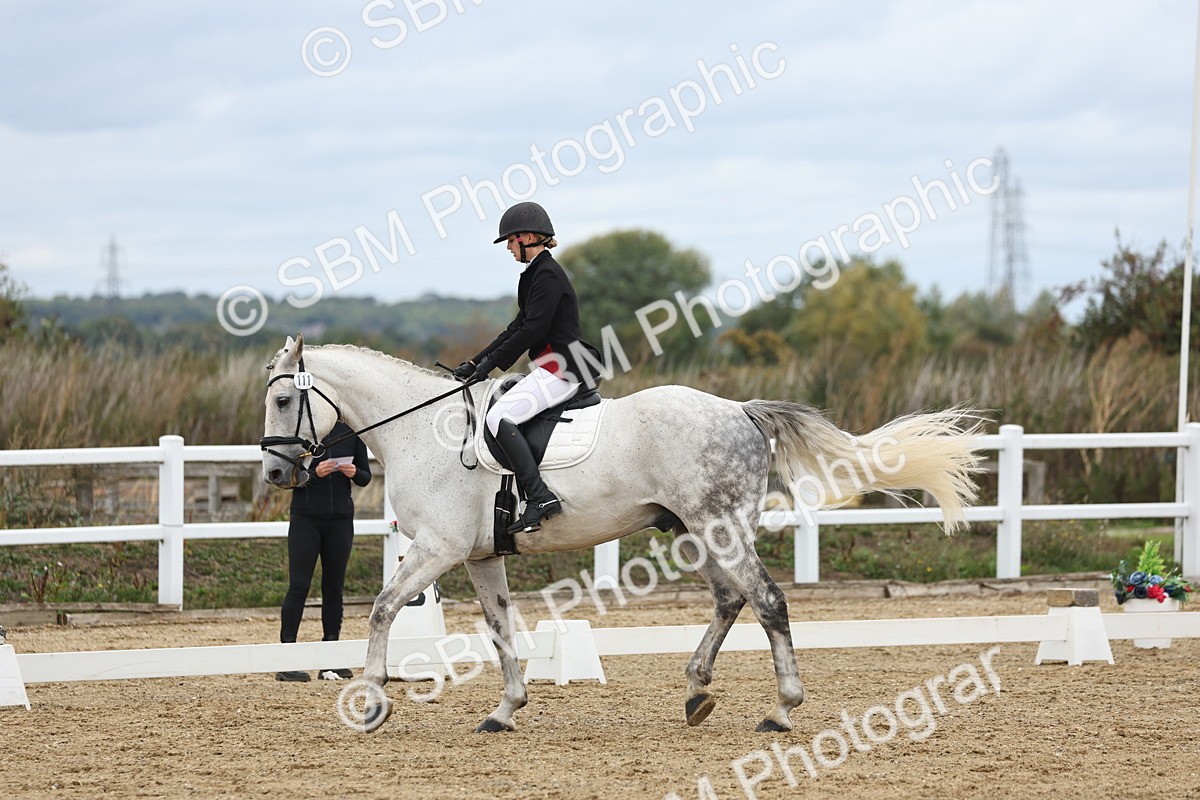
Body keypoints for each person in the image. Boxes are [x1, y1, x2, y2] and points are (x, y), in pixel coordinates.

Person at [452, 201, 602, 534]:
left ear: (528, 237)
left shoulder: (547, 274)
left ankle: (539, 497)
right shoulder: (535, 273)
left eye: (510, 240)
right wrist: (477, 362)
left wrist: (490, 365)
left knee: (498, 418)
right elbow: (516, 327)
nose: (508, 247)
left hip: (563, 367)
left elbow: (533, 330)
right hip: (551, 365)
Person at [275, 419, 372, 682]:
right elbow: (287, 478)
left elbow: (366, 476)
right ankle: (286, 661)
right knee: (299, 586)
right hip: (306, 519)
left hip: (340, 520)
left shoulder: (350, 432)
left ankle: (330, 660)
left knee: (334, 588)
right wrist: (315, 473)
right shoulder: (303, 433)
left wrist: (354, 472)